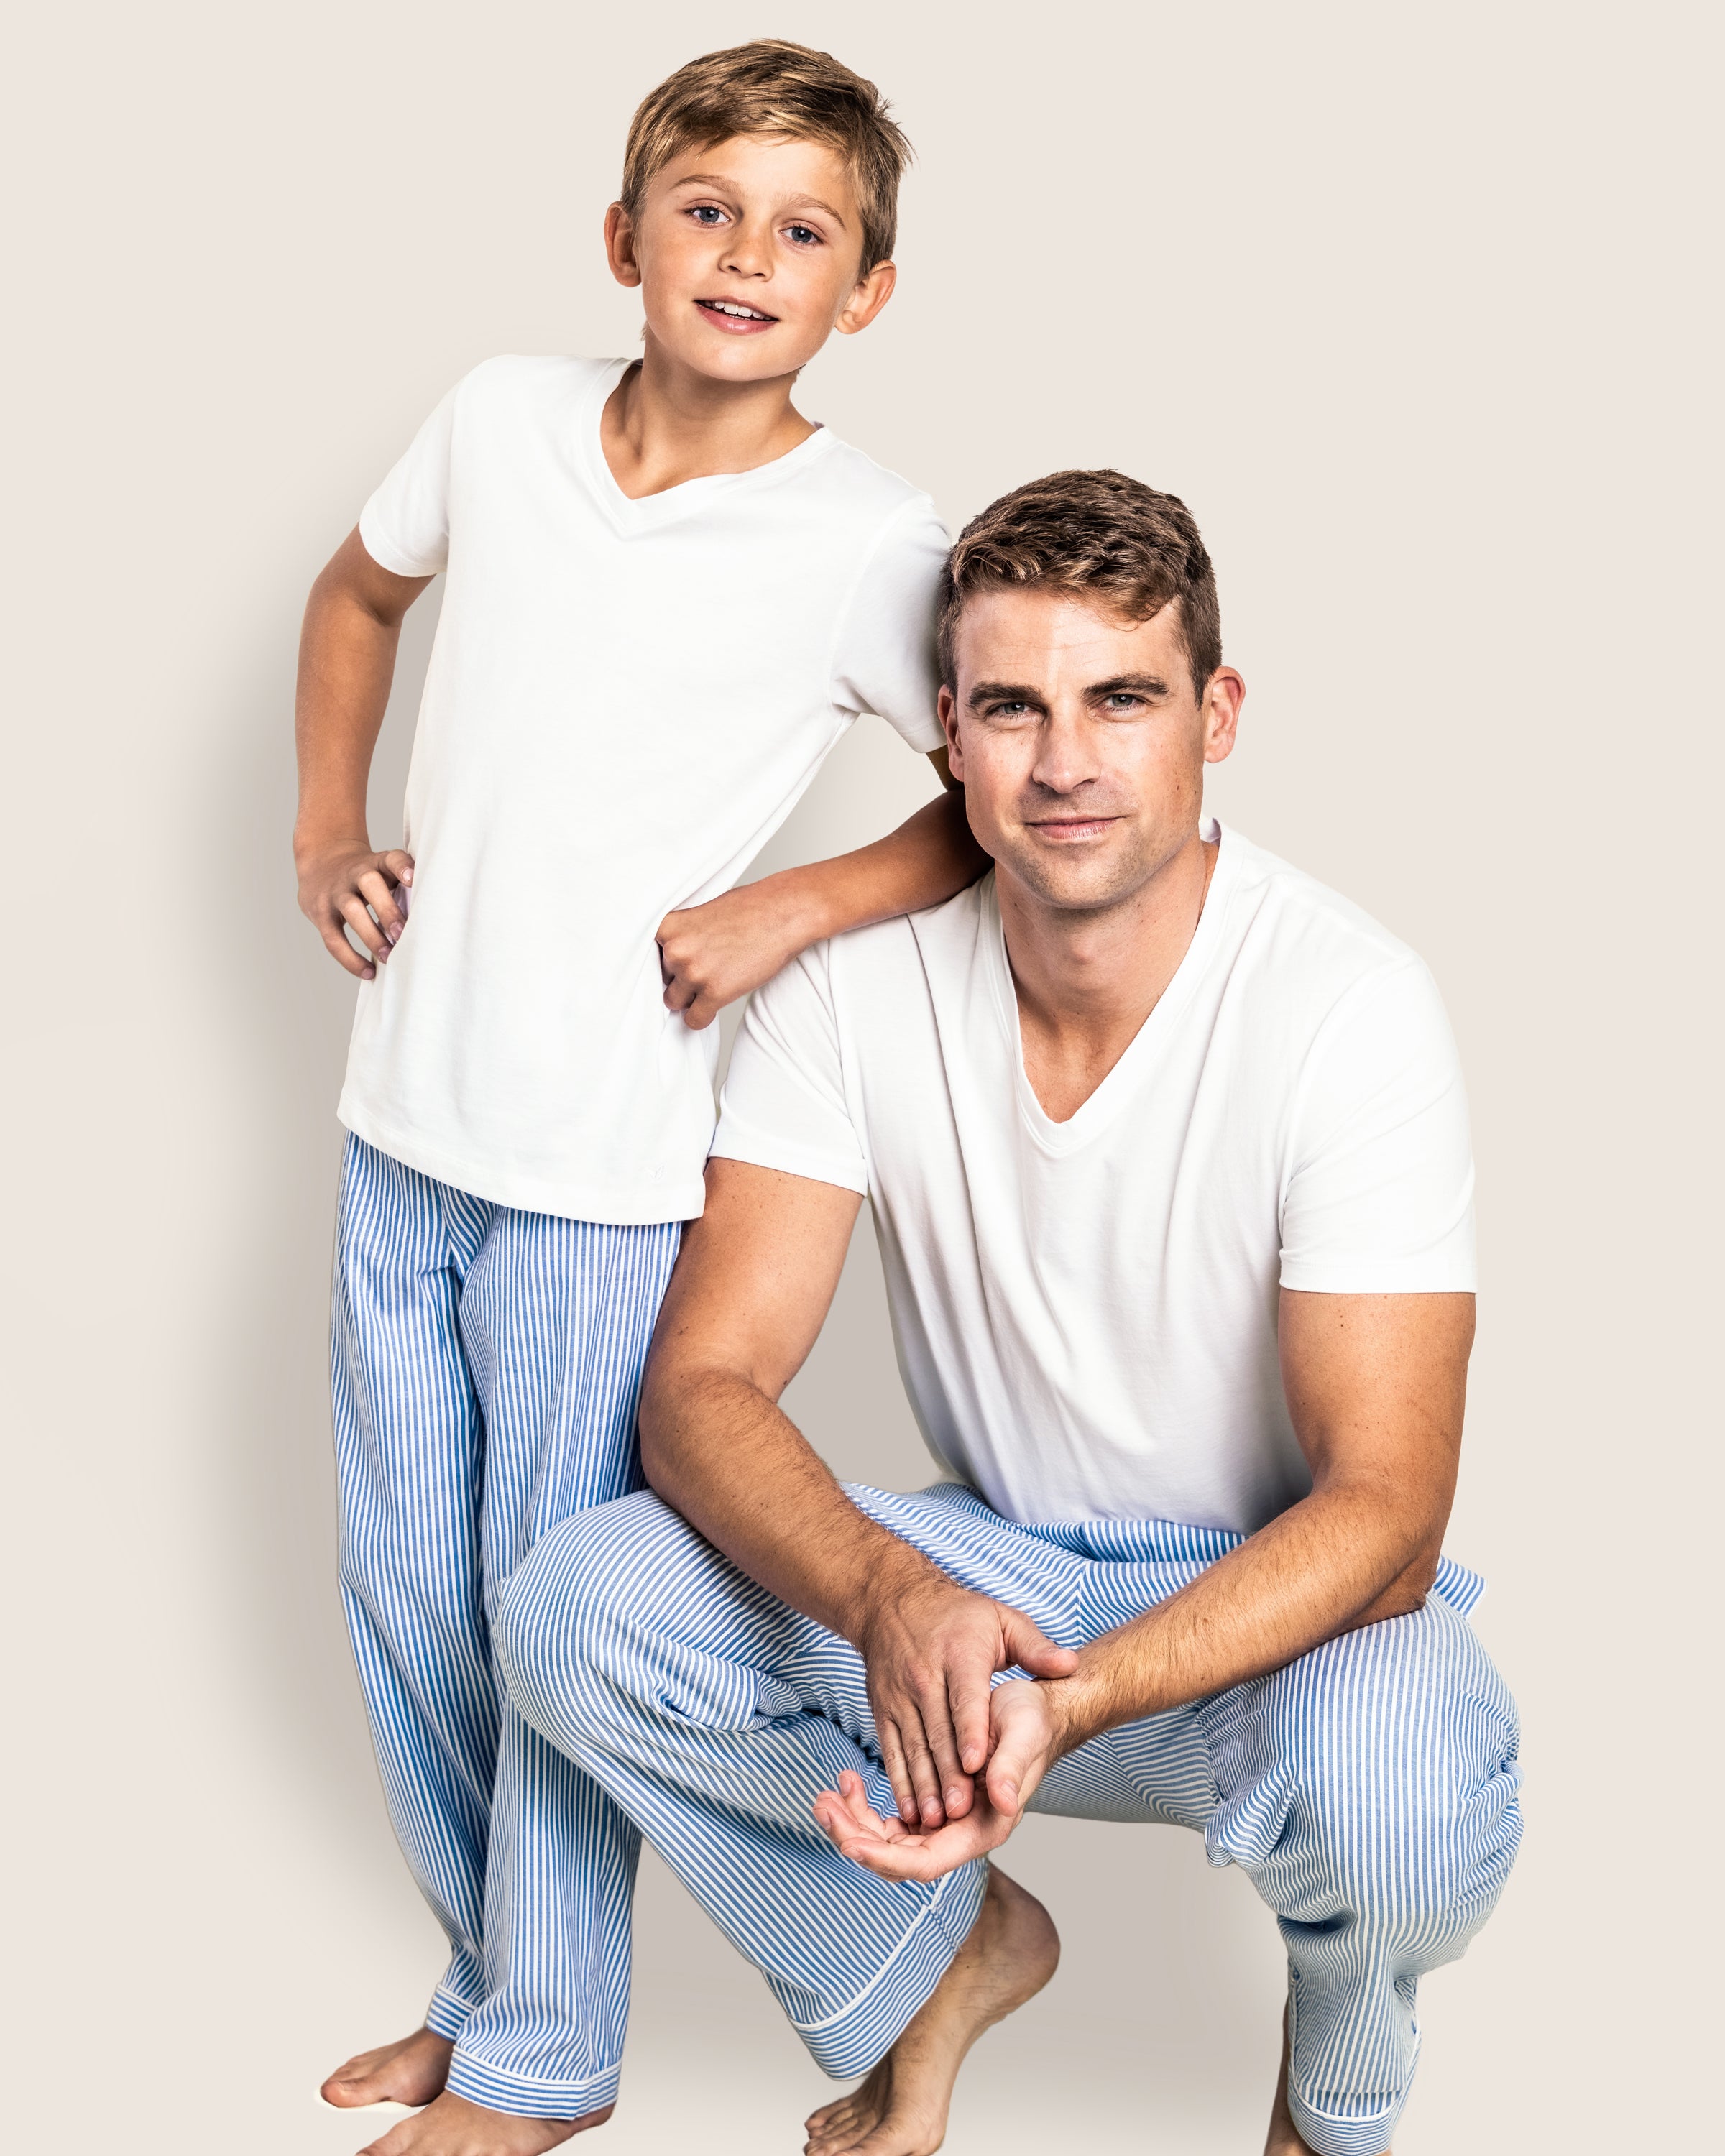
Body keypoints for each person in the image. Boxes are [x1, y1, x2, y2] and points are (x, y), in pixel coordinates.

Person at [489, 470, 1524, 2156]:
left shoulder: (1349, 1007)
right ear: (949, 742)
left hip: (1267, 1621)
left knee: (1399, 1794)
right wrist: (892, 1590)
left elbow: (1390, 1521)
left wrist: (1085, 1694)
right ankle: (943, 1957)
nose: (1067, 764)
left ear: (1219, 716)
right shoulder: (850, 994)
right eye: (1013, 708)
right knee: (576, 1600)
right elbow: (704, 1388)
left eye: (1124, 698)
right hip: (985, 1596)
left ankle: (1329, 2093)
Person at [294, 41, 987, 2155]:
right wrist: (328, 831)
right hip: (398, 1125)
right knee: (408, 1604)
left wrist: (797, 907)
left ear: (867, 287)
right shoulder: (497, 423)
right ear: (624, 238)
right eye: (706, 211)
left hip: (607, 1176)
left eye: (804, 229)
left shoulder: (874, 535)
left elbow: (988, 803)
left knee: (541, 1619)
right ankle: (489, 1983)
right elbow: (355, 597)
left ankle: (541, 2065)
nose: (746, 254)